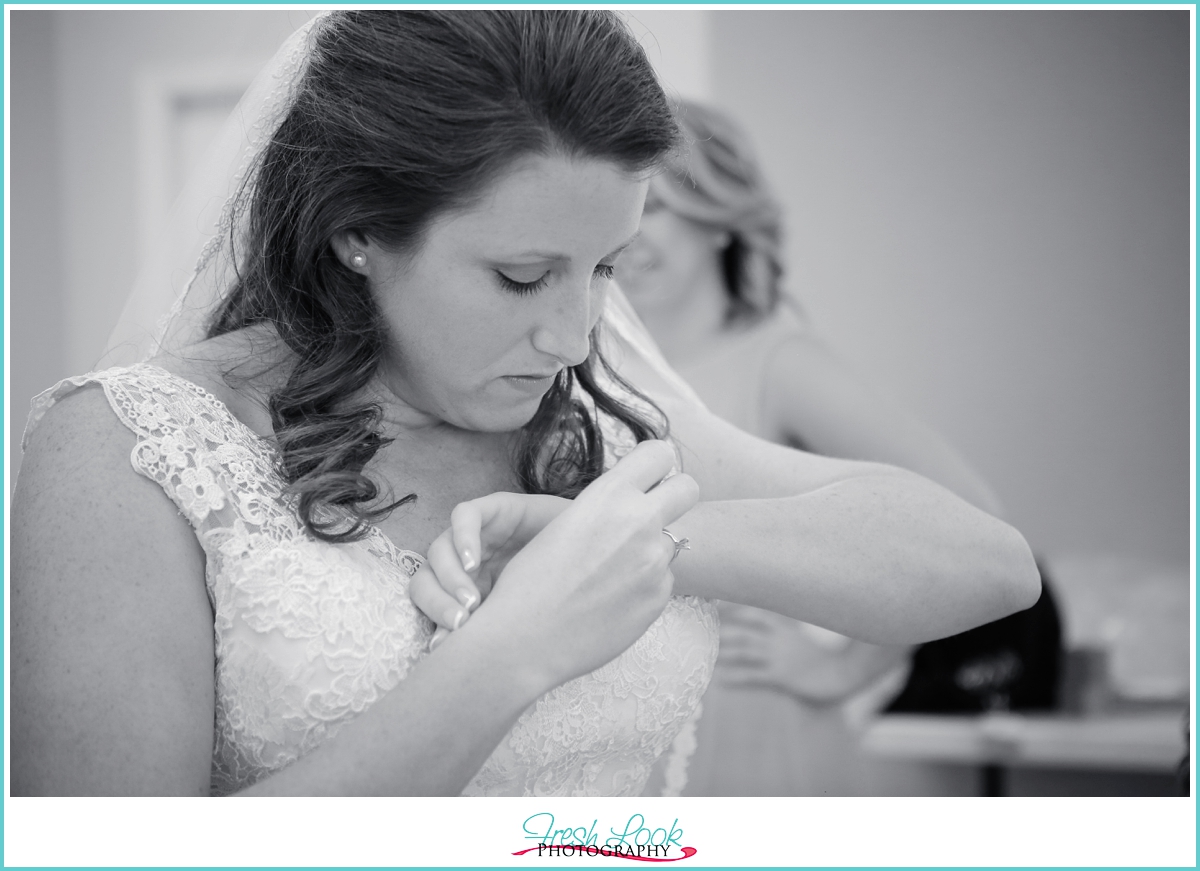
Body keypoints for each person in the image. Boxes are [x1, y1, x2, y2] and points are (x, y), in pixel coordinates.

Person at [10, 11, 1039, 798]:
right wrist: (516, 649)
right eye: (520, 275)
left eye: (606, 269)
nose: (575, 335)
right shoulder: (125, 448)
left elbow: (989, 566)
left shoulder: (605, 419)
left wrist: (625, 544)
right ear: (357, 229)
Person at [614, 100, 1012, 795]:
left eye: (659, 209)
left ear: (721, 220)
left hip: (743, 729)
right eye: (624, 207)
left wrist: (845, 667)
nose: (630, 234)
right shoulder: (591, 364)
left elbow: (972, 516)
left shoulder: (779, 362)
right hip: (619, 722)